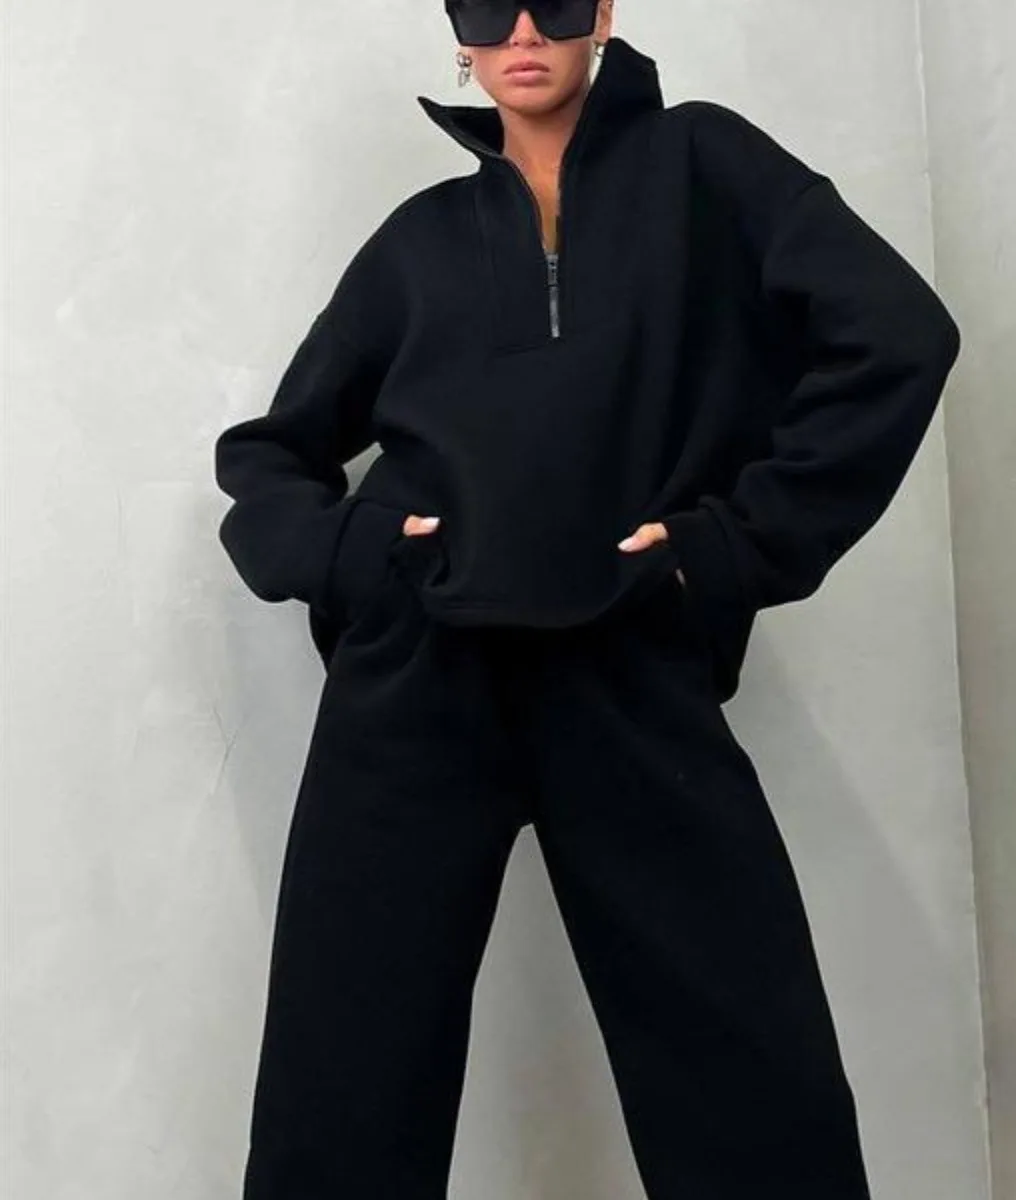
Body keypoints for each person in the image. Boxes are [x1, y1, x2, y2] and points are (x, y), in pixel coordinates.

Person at [213, 2, 961, 1196]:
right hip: (416, 680)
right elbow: (268, 456)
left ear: (603, 11)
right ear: (457, 31)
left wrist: (732, 549)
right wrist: (354, 555)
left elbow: (900, 334)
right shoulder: (419, 241)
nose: (522, 28)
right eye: (485, 4)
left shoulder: (705, 164)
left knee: (756, 1098)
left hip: (628, 658)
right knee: (341, 1092)